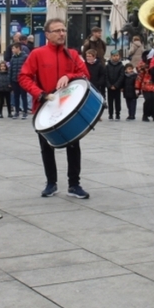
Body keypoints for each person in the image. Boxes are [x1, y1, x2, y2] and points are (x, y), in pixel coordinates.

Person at [18, 18, 91, 199]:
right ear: (47, 34)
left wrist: (69, 75)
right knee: (46, 147)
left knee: (74, 145)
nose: (61, 34)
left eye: (63, 30)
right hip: (45, 106)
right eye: (57, 31)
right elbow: (24, 77)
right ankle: (51, 183)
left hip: (69, 108)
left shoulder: (72, 54)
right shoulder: (37, 54)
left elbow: (85, 75)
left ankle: (74, 184)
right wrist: (39, 93)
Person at [9, 42, 29, 119]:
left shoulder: (25, 57)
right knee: (16, 96)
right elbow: (10, 70)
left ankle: (25, 112)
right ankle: (16, 112)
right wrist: (10, 81)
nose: (12, 50)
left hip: (23, 81)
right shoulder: (13, 58)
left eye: (13, 48)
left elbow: (28, 68)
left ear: (18, 48)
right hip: (14, 80)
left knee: (24, 96)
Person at [105, 51, 125, 120]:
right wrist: (109, 85)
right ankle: (110, 114)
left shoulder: (121, 66)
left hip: (117, 87)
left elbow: (121, 76)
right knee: (110, 101)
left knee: (117, 101)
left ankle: (117, 113)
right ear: (111, 57)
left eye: (117, 56)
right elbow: (106, 76)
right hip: (110, 87)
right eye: (114, 56)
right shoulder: (107, 66)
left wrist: (116, 85)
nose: (115, 57)